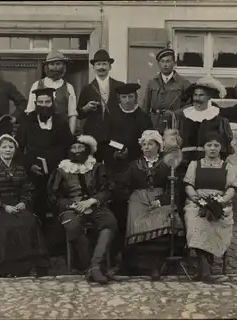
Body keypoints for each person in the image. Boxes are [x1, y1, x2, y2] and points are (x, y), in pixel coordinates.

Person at [0, 134, 50, 278]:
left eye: (11, 147)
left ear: (15, 150)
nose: (8, 150)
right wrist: (4, 206)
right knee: (8, 226)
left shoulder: (20, 169)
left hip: (17, 204)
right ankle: (6, 267)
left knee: (29, 222)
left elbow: (27, 189)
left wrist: (24, 202)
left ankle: (28, 266)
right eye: (4, 147)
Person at [48, 135, 118, 285]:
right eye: (73, 148)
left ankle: (95, 265)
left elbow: (107, 190)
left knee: (110, 222)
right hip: (71, 208)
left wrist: (91, 201)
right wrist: (72, 205)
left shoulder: (97, 167)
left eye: (80, 147)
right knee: (73, 226)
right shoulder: (61, 170)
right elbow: (54, 197)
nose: (77, 150)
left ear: (87, 150)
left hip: (94, 205)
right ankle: (91, 267)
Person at [120, 130, 185, 280]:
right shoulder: (134, 165)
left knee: (167, 219)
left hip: (160, 198)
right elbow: (122, 184)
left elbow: (174, 187)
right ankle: (141, 265)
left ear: (158, 146)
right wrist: (130, 198)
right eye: (144, 145)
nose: (147, 147)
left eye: (150, 144)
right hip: (139, 200)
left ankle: (157, 263)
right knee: (137, 223)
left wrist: (162, 200)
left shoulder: (167, 164)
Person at [105, 83, 153, 264]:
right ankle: (116, 250)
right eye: (123, 97)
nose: (127, 100)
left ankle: (135, 251)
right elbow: (105, 139)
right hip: (115, 167)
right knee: (117, 207)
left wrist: (132, 152)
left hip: (136, 167)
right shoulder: (111, 115)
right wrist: (114, 153)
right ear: (119, 99)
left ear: (135, 97)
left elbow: (149, 142)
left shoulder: (142, 117)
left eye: (130, 97)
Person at [183, 132, 237, 283]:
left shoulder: (228, 167)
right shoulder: (195, 165)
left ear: (221, 147)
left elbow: (231, 188)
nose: (212, 148)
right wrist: (198, 199)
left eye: (216, 145)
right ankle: (206, 270)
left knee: (215, 223)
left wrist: (220, 201)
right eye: (209, 145)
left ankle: (203, 270)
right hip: (197, 204)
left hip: (220, 205)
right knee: (197, 222)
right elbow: (188, 186)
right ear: (204, 147)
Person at [16, 87, 75, 225]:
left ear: (52, 103)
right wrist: (30, 166)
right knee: (36, 206)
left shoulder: (60, 121)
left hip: (57, 171)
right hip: (33, 172)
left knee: (56, 204)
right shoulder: (27, 120)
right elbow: (18, 148)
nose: (43, 106)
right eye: (40, 102)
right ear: (35, 103)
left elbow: (69, 145)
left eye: (47, 102)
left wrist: (64, 167)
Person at [77, 49, 125, 165]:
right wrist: (86, 108)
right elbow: (79, 113)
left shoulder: (120, 86)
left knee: (114, 165)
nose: (101, 67)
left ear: (110, 67)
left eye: (104, 64)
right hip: (93, 137)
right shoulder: (87, 89)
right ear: (93, 67)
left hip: (114, 135)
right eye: (98, 64)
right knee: (93, 168)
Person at [176, 75, 234, 165]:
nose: (197, 98)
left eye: (201, 95)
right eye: (195, 95)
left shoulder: (219, 121)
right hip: (185, 165)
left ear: (209, 97)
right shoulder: (183, 118)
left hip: (209, 165)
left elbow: (225, 148)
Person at [26, 50, 78, 134]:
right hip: (40, 131)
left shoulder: (68, 87)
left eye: (58, 64)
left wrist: (70, 136)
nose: (55, 67)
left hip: (61, 133)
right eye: (52, 64)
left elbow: (72, 115)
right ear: (47, 66)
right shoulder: (37, 85)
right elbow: (30, 111)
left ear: (63, 66)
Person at [142, 48, 191, 133]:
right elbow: (145, 106)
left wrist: (175, 113)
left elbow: (189, 106)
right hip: (154, 123)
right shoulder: (152, 82)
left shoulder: (183, 83)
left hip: (175, 124)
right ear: (158, 64)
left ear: (174, 63)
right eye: (162, 61)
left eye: (168, 61)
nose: (165, 65)